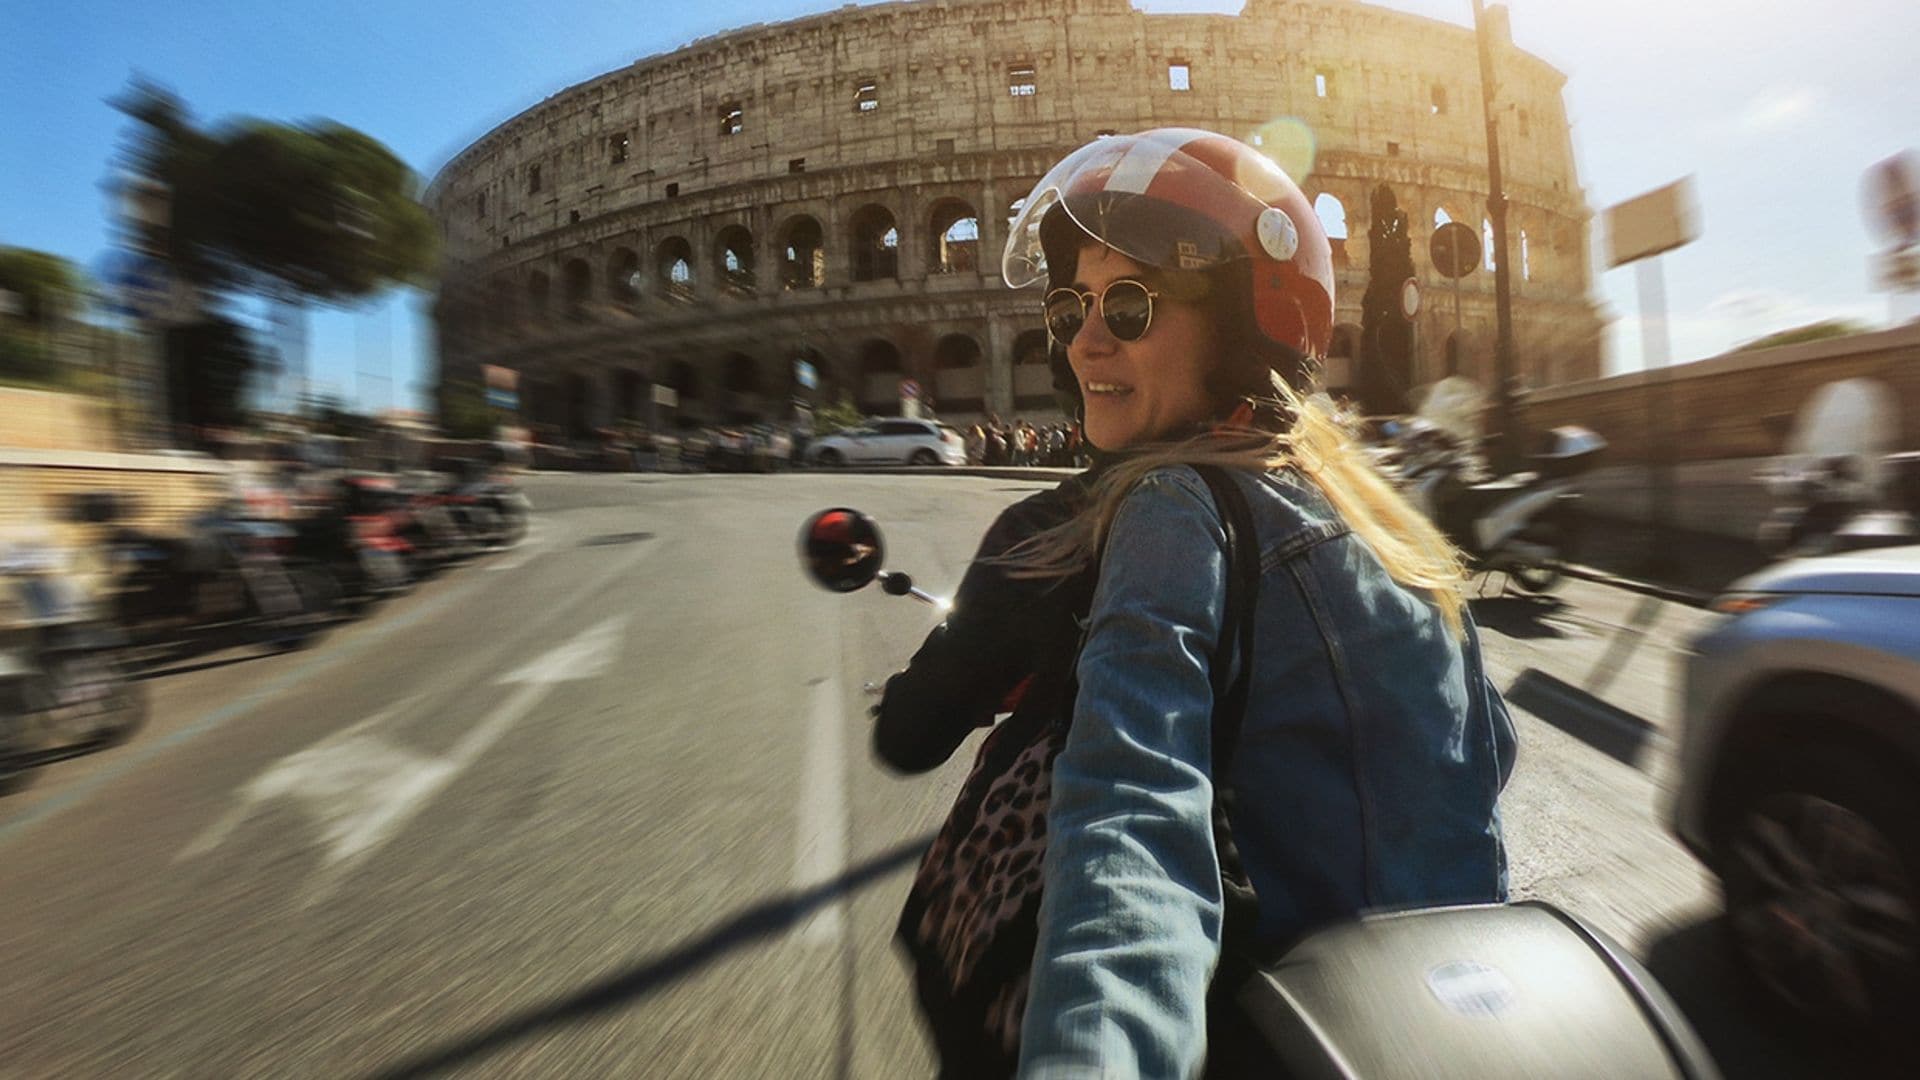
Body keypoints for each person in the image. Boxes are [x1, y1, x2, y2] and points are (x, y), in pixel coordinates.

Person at [883, 128, 1516, 1078]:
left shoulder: (1171, 507)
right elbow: (1489, 746)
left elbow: (1132, 810)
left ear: (1239, 330)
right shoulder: (1376, 509)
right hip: (1452, 1018)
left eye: (1131, 305)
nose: (1084, 338)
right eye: (1072, 304)